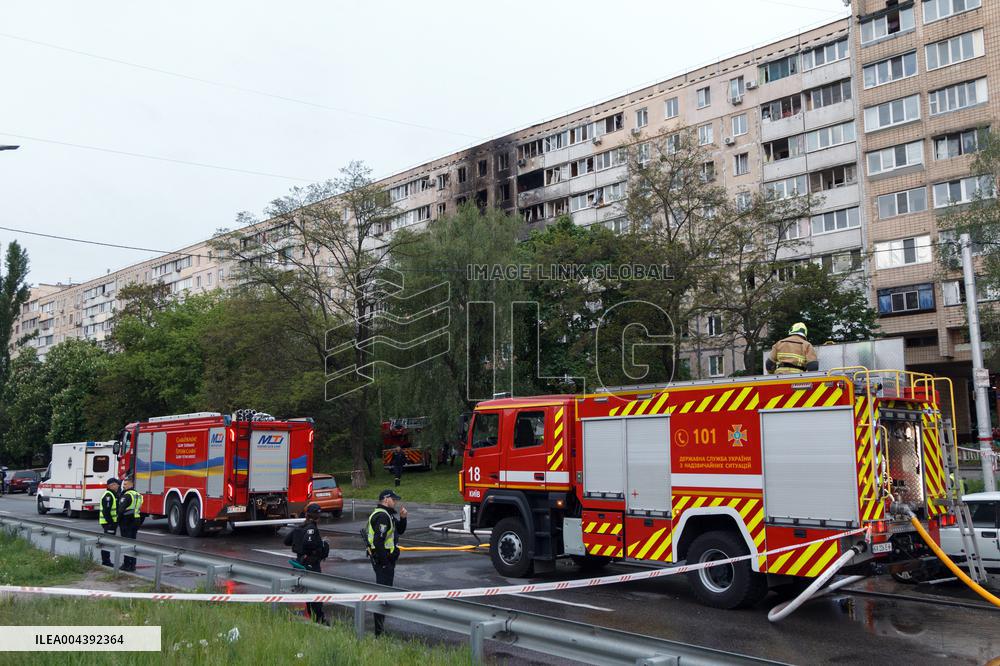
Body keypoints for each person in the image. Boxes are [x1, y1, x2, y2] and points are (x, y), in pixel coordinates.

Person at [365, 489, 407, 636]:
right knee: (382, 596)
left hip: (386, 561)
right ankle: (379, 631)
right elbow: (378, 541)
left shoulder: (387, 514)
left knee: (385, 594)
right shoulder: (382, 516)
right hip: (383, 562)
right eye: (393, 500)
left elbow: (399, 531)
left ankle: (380, 629)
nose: (395, 502)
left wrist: (403, 518)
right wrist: (385, 562)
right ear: (386, 499)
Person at [284, 502, 330, 624]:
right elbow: (308, 543)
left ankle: (313, 617)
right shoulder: (312, 529)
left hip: (301, 564)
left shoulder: (300, 527)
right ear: (317, 516)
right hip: (311, 565)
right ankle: (319, 620)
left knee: (309, 592)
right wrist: (321, 546)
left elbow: (287, 541)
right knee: (316, 592)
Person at [118, 477, 143, 572]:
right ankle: (133, 565)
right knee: (133, 544)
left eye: (125, 484)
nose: (123, 486)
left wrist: (118, 521)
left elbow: (121, 510)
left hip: (126, 521)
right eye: (123, 484)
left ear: (131, 485)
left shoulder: (127, 495)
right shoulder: (138, 495)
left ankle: (127, 564)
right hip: (136, 520)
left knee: (126, 544)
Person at [98, 477, 120, 567]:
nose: (118, 486)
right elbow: (106, 511)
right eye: (116, 484)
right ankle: (106, 561)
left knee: (108, 542)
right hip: (108, 523)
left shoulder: (112, 494)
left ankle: (106, 561)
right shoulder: (108, 496)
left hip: (109, 523)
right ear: (112, 485)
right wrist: (111, 523)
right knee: (107, 542)